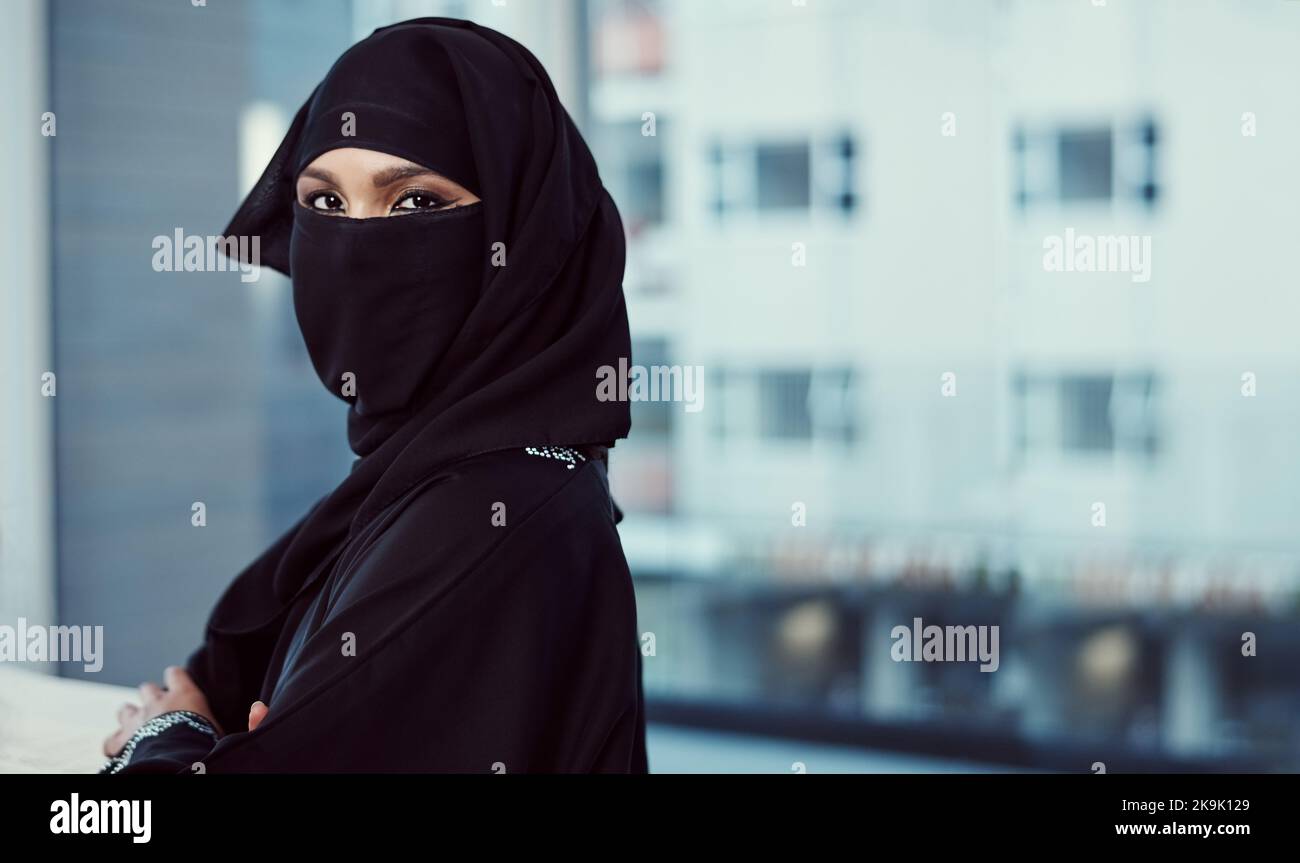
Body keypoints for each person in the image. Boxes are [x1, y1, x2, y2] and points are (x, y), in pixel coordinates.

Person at [99, 16, 647, 773]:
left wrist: (168, 738)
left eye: (415, 203)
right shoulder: (430, 482)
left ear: (521, 243)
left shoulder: (497, 516)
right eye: (324, 205)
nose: (356, 247)